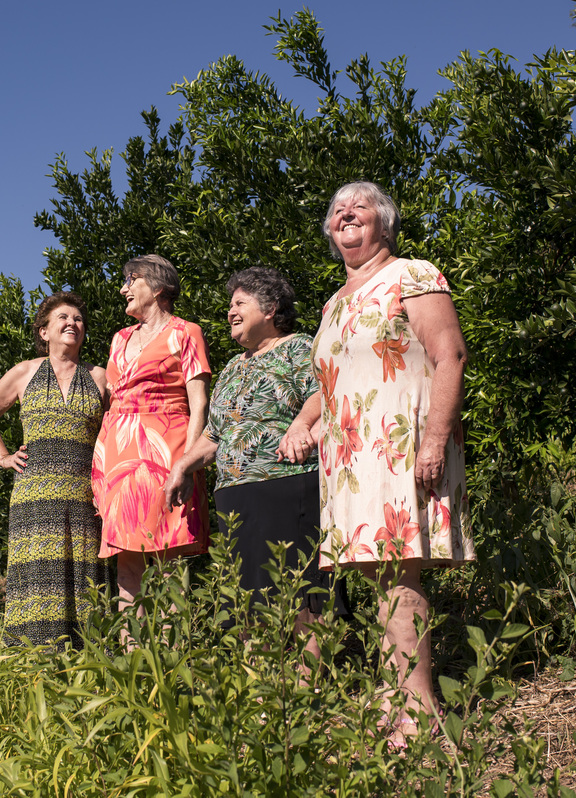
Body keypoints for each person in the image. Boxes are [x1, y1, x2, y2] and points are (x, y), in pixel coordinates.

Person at [294, 180, 476, 748]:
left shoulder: (412, 274)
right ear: (330, 231)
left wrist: (433, 441)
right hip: (351, 460)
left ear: (384, 224)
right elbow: (335, 384)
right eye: (337, 208)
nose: (347, 211)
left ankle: (420, 711)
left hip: (401, 447)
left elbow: (451, 355)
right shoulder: (334, 304)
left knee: (400, 571)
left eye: (362, 205)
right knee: (377, 575)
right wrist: (305, 423)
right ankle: (395, 698)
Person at [163, 267, 348, 654]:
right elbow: (214, 433)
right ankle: (262, 690)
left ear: (270, 308)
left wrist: (300, 425)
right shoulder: (232, 366)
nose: (230, 311)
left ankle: (309, 687)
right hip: (234, 494)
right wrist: (182, 465)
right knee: (247, 596)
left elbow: (324, 392)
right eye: (230, 304)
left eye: (239, 303)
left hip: (288, 483)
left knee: (299, 590)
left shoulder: (299, 346)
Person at [0, 291, 112, 649]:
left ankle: (91, 665)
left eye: (78, 319)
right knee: (37, 577)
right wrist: (3, 456)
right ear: (44, 332)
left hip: (86, 495)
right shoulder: (24, 372)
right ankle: (32, 664)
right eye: (62, 318)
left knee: (86, 578)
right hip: (33, 496)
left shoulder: (100, 376)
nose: (72, 323)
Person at [91, 254, 211, 608]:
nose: (122, 288)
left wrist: (189, 464)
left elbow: (199, 404)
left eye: (131, 280)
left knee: (168, 559)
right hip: (119, 455)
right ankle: (134, 658)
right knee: (126, 560)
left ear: (157, 287)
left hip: (167, 451)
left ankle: (171, 657)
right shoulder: (119, 339)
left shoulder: (185, 332)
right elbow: (113, 401)